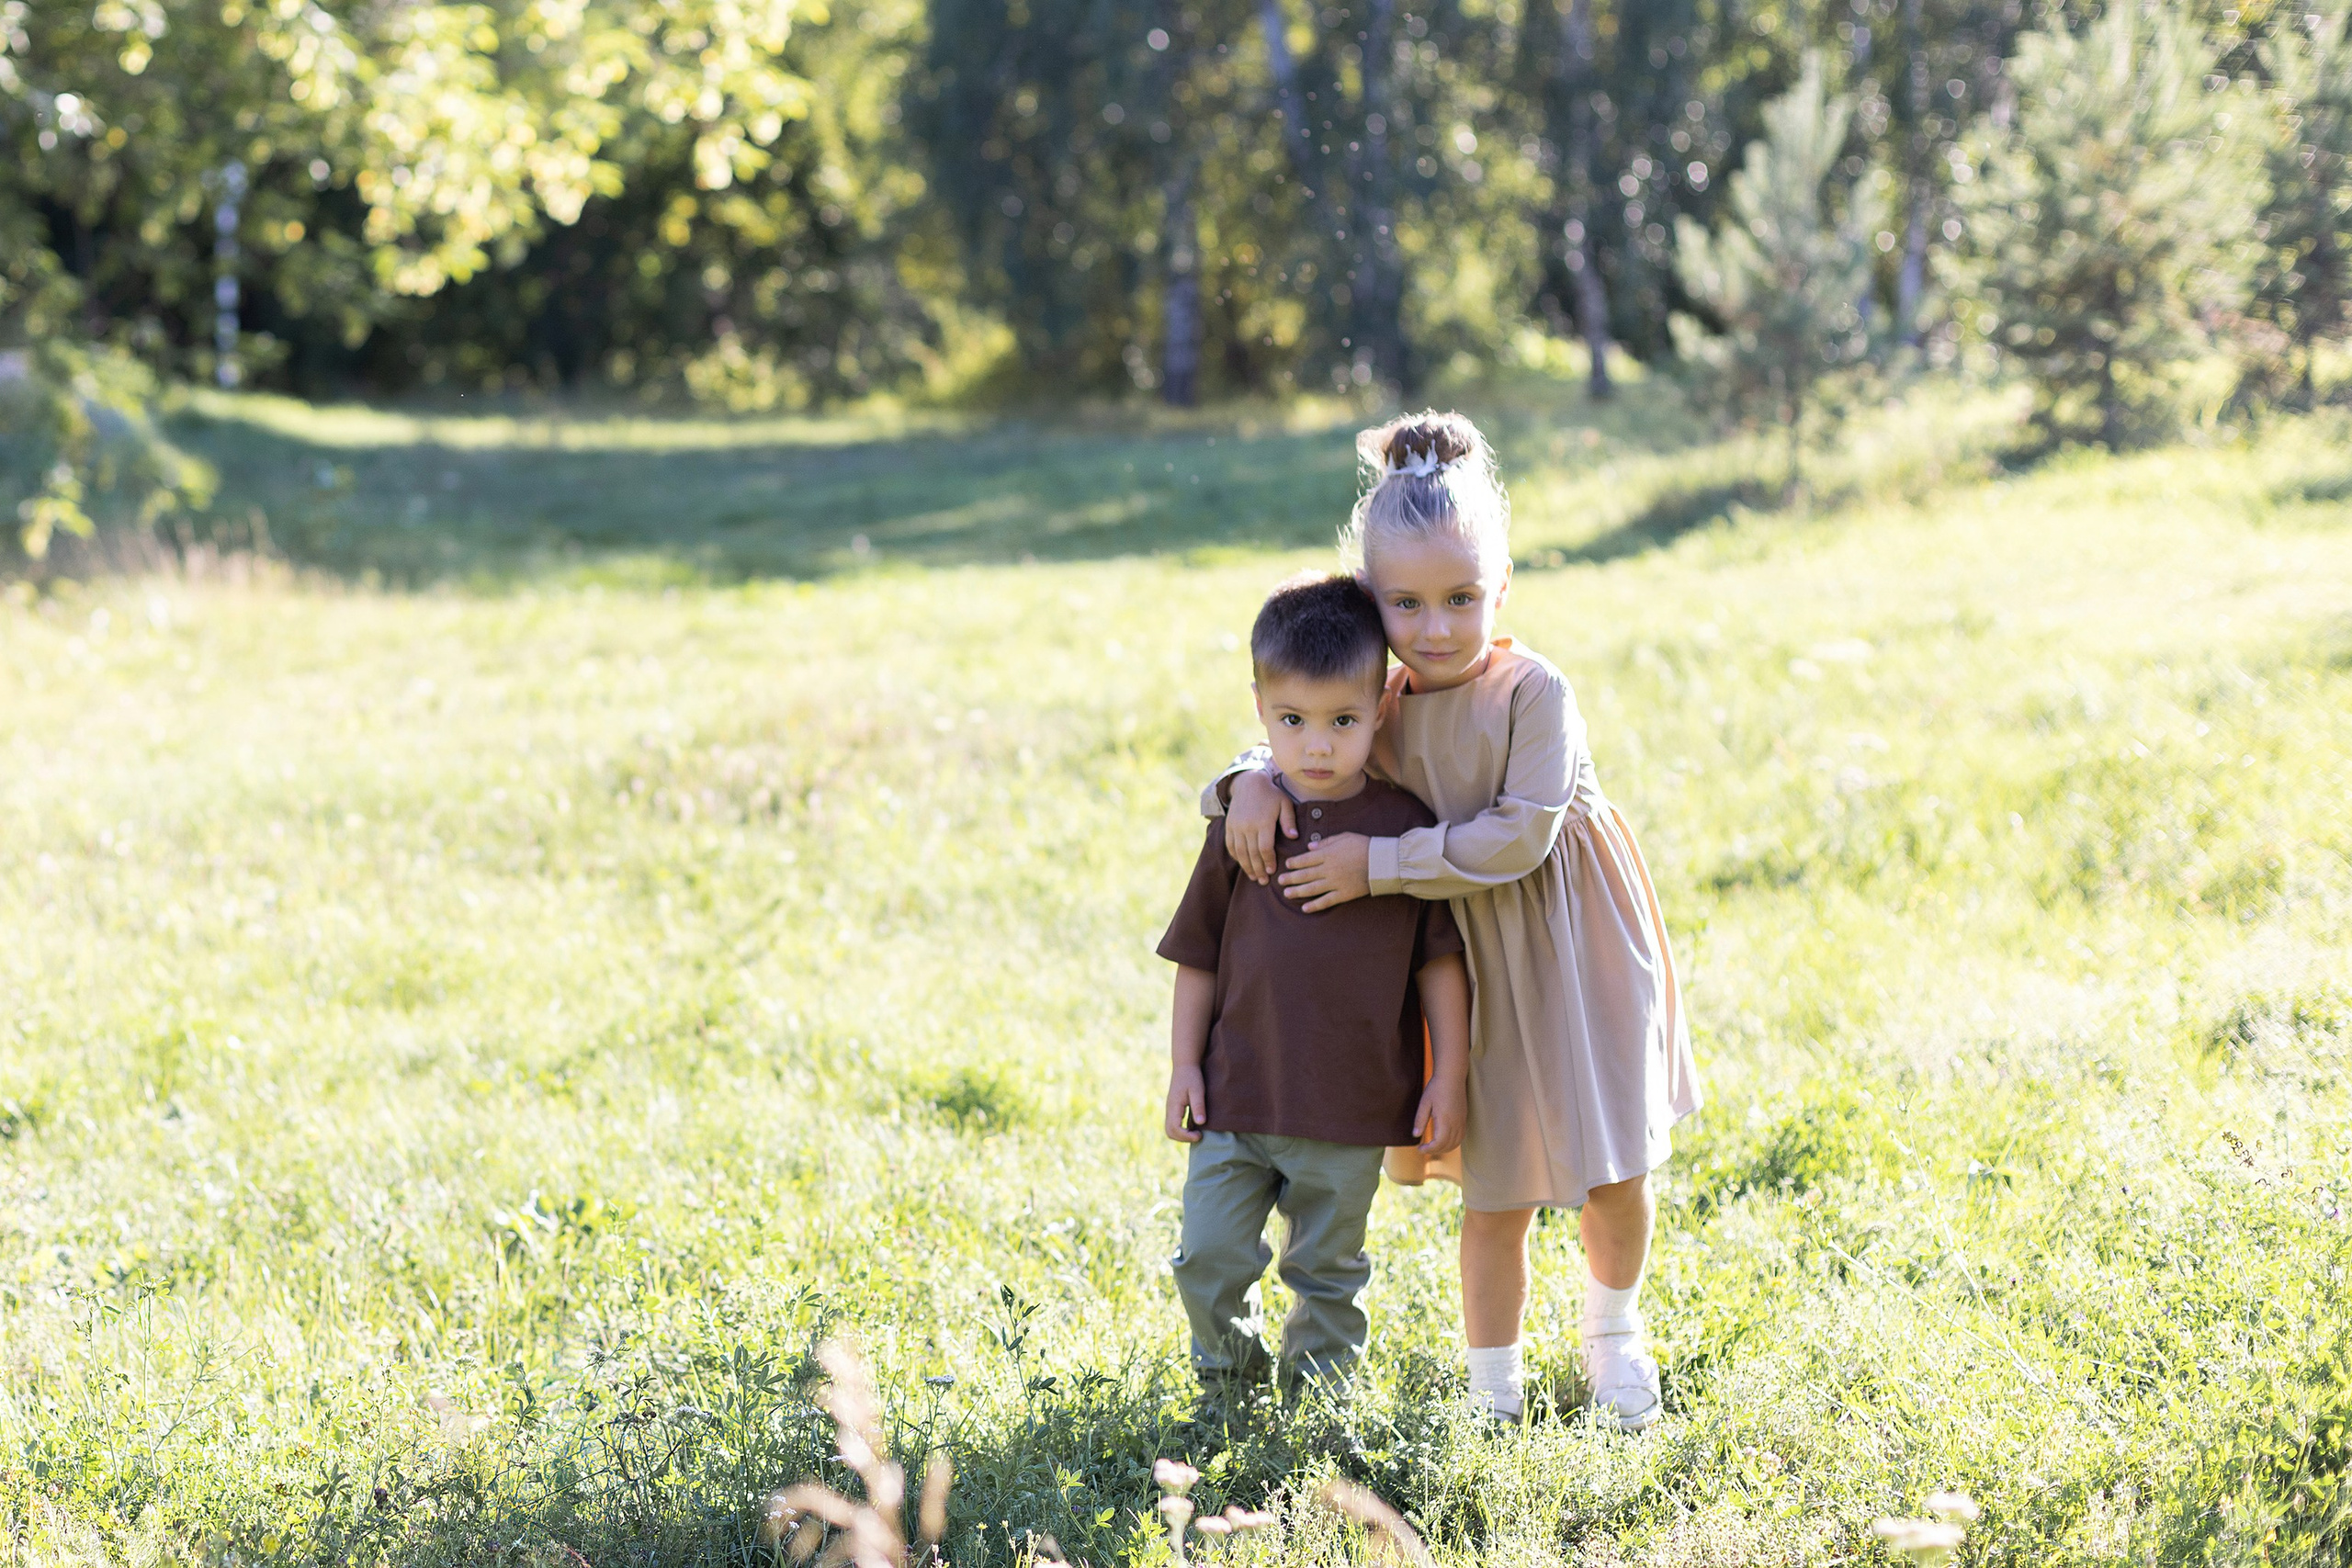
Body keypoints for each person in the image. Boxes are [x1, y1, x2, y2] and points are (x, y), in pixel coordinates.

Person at [1207, 412, 1702, 1431]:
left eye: (1461, 599)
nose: (1435, 628)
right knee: (1497, 1184)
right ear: (1370, 601)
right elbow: (1307, 743)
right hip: (1461, 967)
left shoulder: (1535, 692)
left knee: (1611, 1165)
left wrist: (1381, 864)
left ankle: (1614, 1338)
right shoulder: (1377, 703)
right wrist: (1245, 782)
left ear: (1504, 585)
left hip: (1574, 947)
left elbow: (1520, 836)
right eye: (1407, 604)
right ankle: (1493, 1391)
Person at [1157, 572, 1474, 1398]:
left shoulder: (1404, 830)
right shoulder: (1248, 819)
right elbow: (1200, 954)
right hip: (1237, 1094)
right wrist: (1184, 1066)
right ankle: (1229, 1383)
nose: (1319, 746)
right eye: (1293, 721)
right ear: (1261, 707)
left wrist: (1449, 1074)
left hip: (1350, 1105)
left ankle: (1323, 1400)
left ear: (1380, 706)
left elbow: (1439, 961)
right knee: (1207, 1254)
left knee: (1328, 1267)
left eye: (1343, 721)